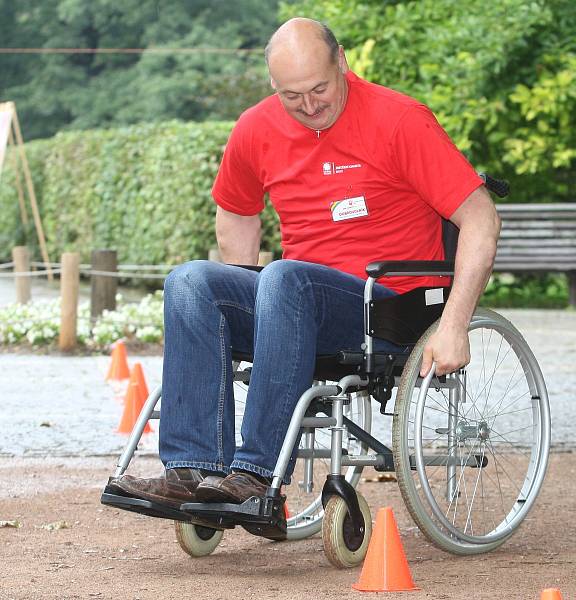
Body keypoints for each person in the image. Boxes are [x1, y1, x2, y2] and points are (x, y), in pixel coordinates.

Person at [114, 18, 500, 518]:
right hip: (293, 301)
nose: (310, 105)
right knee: (190, 281)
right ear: (273, 86)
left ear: (342, 61)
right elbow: (235, 209)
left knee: (284, 275)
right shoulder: (257, 126)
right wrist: (244, 296)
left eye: (319, 88)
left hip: (386, 306)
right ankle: (192, 471)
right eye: (292, 96)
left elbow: (481, 219)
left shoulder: (400, 120)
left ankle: (253, 476)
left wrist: (454, 325)